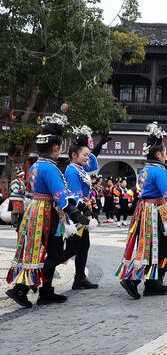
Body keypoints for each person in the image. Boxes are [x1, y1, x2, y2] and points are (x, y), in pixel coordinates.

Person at [5, 114, 91, 308]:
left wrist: (79, 208)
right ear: (55, 147)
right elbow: (60, 194)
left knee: (47, 250)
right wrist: (76, 214)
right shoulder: (50, 168)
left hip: (36, 210)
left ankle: (45, 290)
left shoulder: (36, 165)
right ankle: (22, 288)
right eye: (60, 146)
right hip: (46, 213)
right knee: (51, 252)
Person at [116, 122, 167, 299]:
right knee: (154, 249)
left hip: (147, 210)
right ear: (159, 154)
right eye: (166, 152)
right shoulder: (159, 171)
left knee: (154, 247)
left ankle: (152, 283)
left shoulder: (146, 169)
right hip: (153, 212)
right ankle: (133, 280)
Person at [63, 126, 111, 290]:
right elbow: (75, 197)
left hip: (84, 208)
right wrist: (85, 213)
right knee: (73, 248)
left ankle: (80, 278)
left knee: (84, 245)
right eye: (84, 155)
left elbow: (91, 157)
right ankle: (47, 270)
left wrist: (99, 144)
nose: (87, 158)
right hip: (77, 210)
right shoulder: (71, 170)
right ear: (74, 155)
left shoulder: (80, 167)